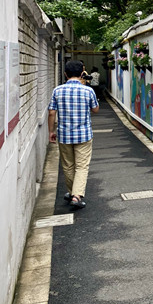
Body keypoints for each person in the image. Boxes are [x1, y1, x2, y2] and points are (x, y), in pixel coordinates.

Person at [48, 60, 100, 210]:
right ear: (82, 73)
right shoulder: (88, 91)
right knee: (82, 166)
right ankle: (76, 196)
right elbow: (95, 109)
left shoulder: (57, 90)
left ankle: (72, 193)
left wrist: (51, 131)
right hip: (83, 135)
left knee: (68, 165)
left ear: (65, 74)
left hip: (64, 135)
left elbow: (51, 112)